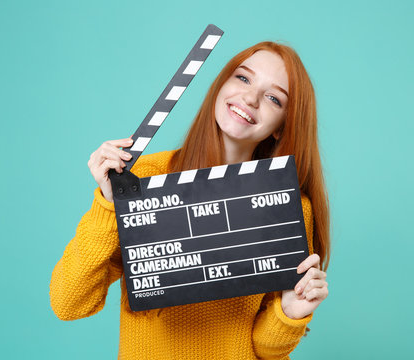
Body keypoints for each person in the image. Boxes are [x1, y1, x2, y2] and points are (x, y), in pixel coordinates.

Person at [50, 41, 330, 359]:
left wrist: (291, 312)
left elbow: (263, 349)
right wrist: (107, 204)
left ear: (282, 126)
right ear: (220, 85)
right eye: (243, 78)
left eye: (273, 98)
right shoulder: (143, 179)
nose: (250, 98)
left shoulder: (285, 207)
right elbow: (68, 302)